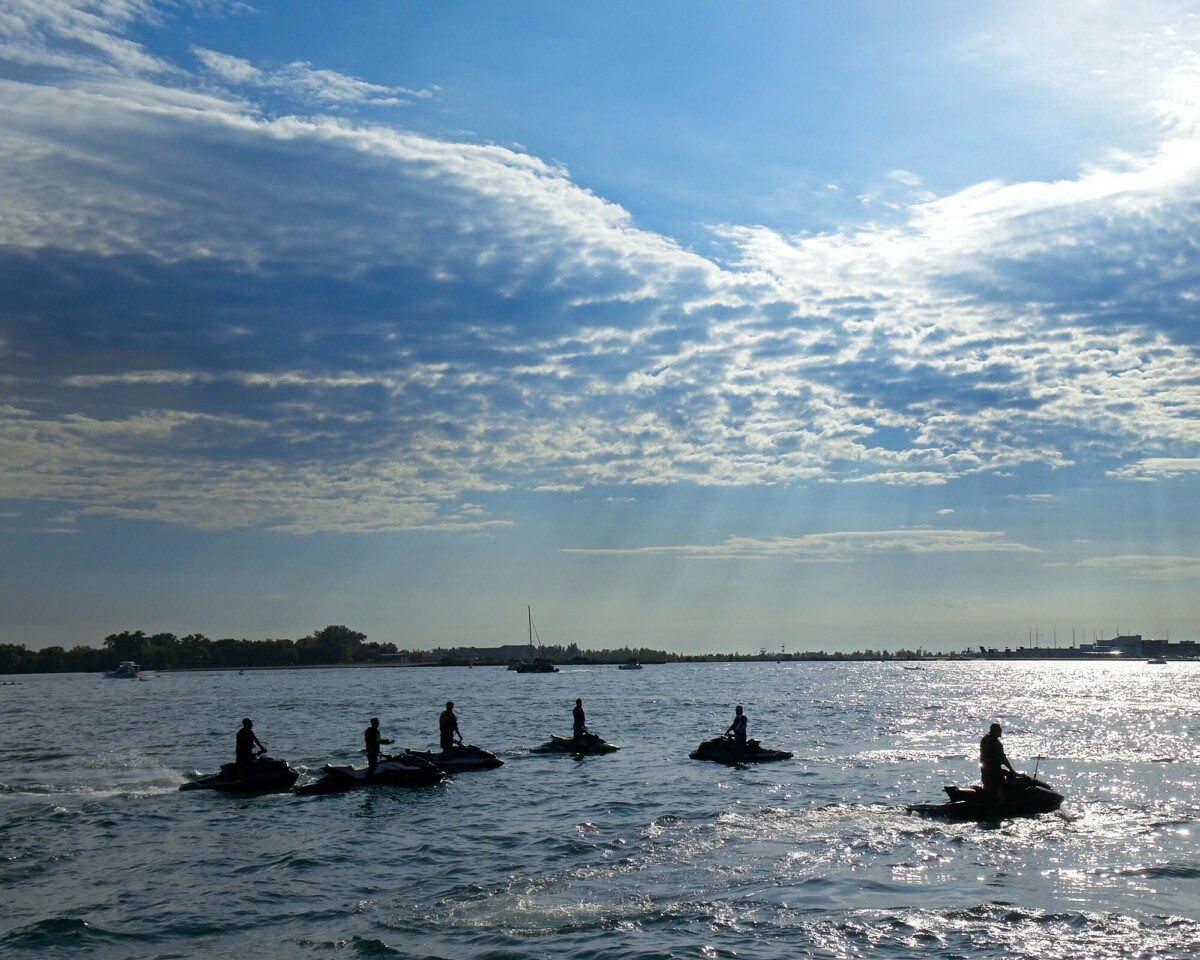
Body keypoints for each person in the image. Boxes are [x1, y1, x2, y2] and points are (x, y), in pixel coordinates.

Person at [979, 722, 1016, 800]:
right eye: (1000, 730)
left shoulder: (984, 739)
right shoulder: (994, 742)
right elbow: (1002, 757)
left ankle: (989, 800)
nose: (1001, 732)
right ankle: (1002, 803)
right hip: (993, 769)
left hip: (984, 768)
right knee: (1001, 786)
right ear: (995, 731)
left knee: (988, 785)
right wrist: (1011, 769)